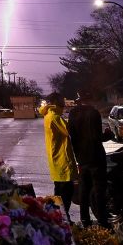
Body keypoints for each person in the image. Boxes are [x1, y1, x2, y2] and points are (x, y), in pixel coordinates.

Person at [67, 89, 111, 227]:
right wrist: (108, 135)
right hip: (96, 157)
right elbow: (96, 137)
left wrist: (77, 154)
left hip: (81, 157)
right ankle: (103, 221)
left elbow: (72, 135)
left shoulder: (73, 114)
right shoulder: (94, 113)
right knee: (99, 190)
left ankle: (85, 220)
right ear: (90, 100)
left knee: (84, 190)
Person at [40, 92, 77, 222]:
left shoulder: (49, 115)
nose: (64, 101)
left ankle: (58, 217)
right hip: (62, 159)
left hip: (56, 159)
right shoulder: (55, 117)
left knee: (59, 191)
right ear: (55, 101)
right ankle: (62, 218)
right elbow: (70, 131)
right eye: (62, 99)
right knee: (66, 192)